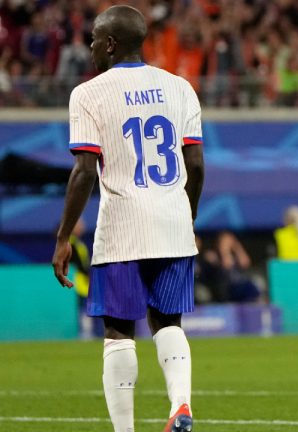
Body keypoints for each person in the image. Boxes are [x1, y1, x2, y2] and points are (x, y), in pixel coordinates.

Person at [51, 5, 204, 432]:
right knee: (167, 321)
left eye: (96, 39)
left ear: (112, 44)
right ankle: (181, 403)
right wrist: (186, 218)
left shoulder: (89, 93)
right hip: (173, 224)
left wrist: (64, 237)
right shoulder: (180, 88)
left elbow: (83, 171)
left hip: (122, 226)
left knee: (119, 330)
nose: (91, 46)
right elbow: (197, 164)